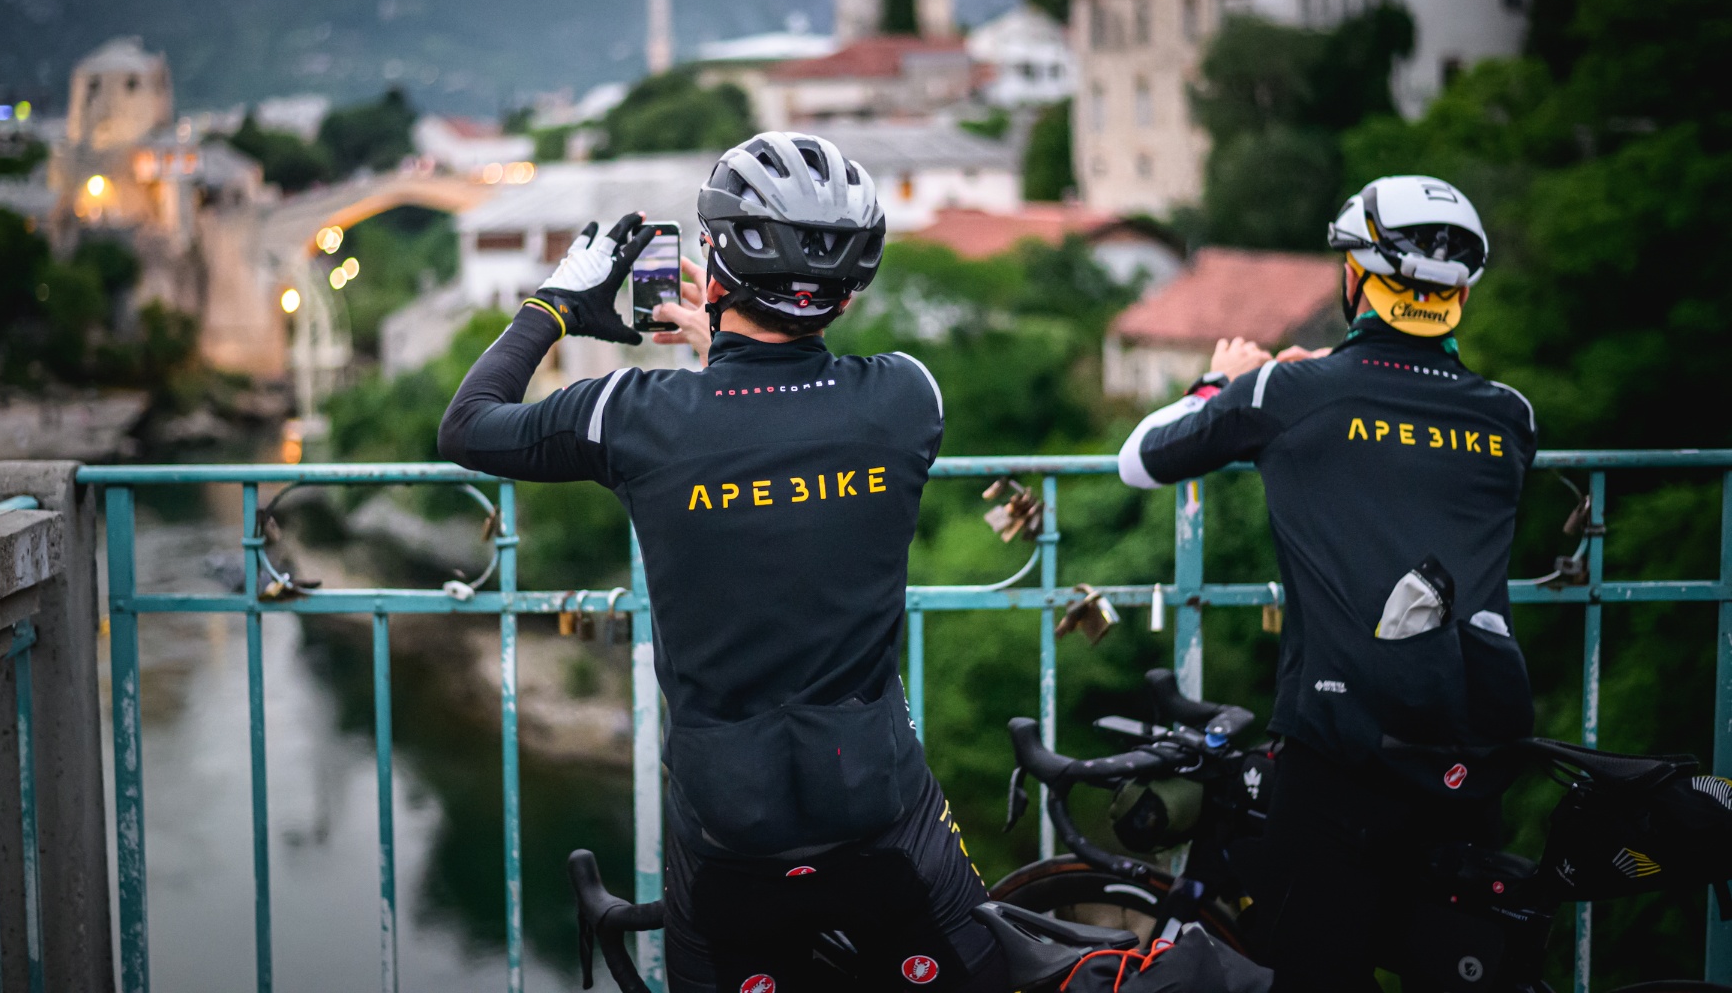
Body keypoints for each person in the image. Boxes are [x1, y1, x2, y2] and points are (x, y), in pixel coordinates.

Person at [439, 132, 1005, 993]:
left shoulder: (634, 415)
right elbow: (782, 404)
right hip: (880, 807)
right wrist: (727, 346)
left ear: (712, 270)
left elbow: (469, 424)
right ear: (849, 291)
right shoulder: (905, 398)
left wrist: (556, 305)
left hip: (728, 827)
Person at [1116, 176, 1538, 992]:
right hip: (1474, 744)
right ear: (1459, 294)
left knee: (1310, 966)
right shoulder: (1510, 417)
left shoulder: (1289, 393)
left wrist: (1225, 382)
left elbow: (1138, 461)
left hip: (1342, 744)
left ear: (1358, 279)